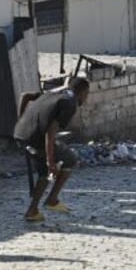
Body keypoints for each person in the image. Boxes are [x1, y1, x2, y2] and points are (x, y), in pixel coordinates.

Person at [13, 77, 90, 222]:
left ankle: (32, 211)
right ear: (83, 93)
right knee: (70, 159)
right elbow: (51, 131)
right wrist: (51, 160)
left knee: (44, 172)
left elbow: (25, 96)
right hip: (36, 138)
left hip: (20, 134)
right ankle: (52, 199)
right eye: (87, 95)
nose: (86, 99)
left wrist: (21, 121)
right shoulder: (70, 103)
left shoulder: (54, 92)